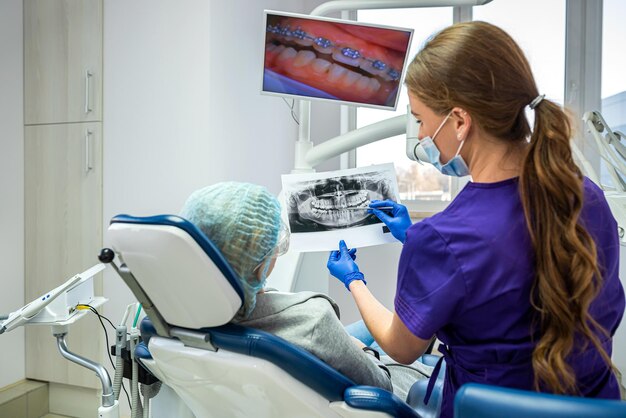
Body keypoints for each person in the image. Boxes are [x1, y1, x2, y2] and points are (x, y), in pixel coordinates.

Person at [327, 21, 625, 418]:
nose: (421, 134)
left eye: (419, 119)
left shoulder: (443, 238)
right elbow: (507, 267)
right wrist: (416, 237)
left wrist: (354, 280)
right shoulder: (585, 196)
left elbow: (401, 347)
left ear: (460, 121)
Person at [180, 181, 431, 400]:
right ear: (258, 265)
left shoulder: (187, 309)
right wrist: (360, 349)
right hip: (387, 390)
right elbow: (382, 386)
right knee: (411, 331)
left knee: (375, 324)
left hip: (289, 348)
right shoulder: (314, 319)